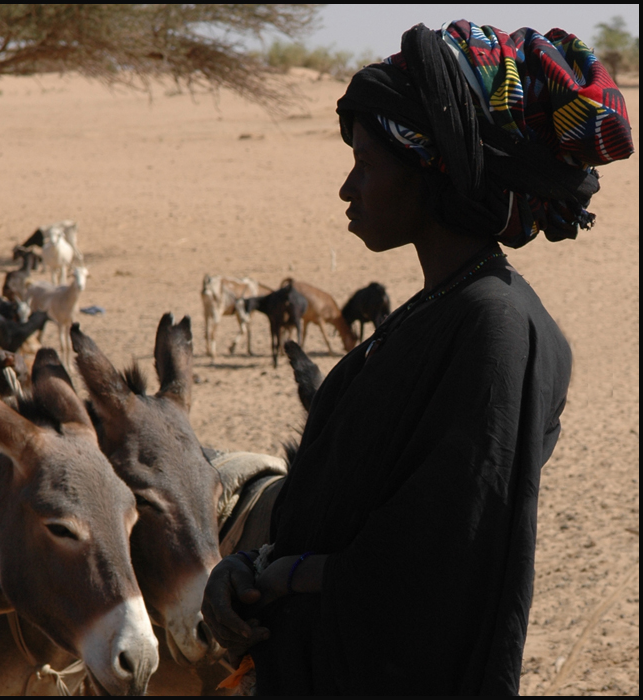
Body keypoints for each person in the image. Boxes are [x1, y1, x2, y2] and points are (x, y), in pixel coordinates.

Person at [202, 20, 633, 695]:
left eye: (366, 165)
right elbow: (346, 509)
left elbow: (440, 562)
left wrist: (280, 578)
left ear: (433, 167)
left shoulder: (495, 328)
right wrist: (250, 562)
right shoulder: (437, 311)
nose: (349, 189)